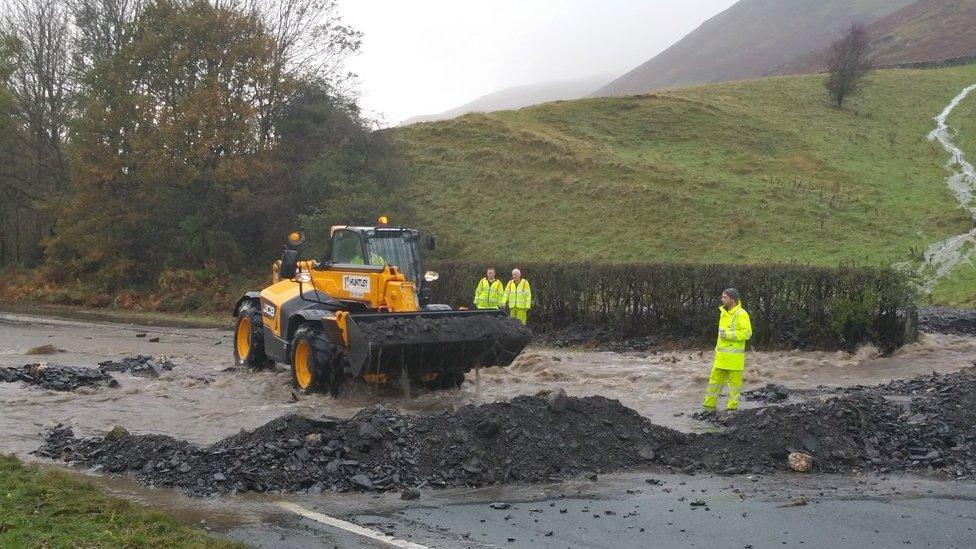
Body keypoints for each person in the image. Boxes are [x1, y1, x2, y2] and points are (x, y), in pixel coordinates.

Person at [702, 288, 752, 411]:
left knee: (734, 388)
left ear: (732, 299)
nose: (722, 299)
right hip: (720, 359)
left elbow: (747, 333)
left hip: (734, 361)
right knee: (713, 385)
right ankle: (708, 408)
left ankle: (731, 412)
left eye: (724, 297)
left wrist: (729, 335)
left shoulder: (741, 313)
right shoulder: (723, 313)